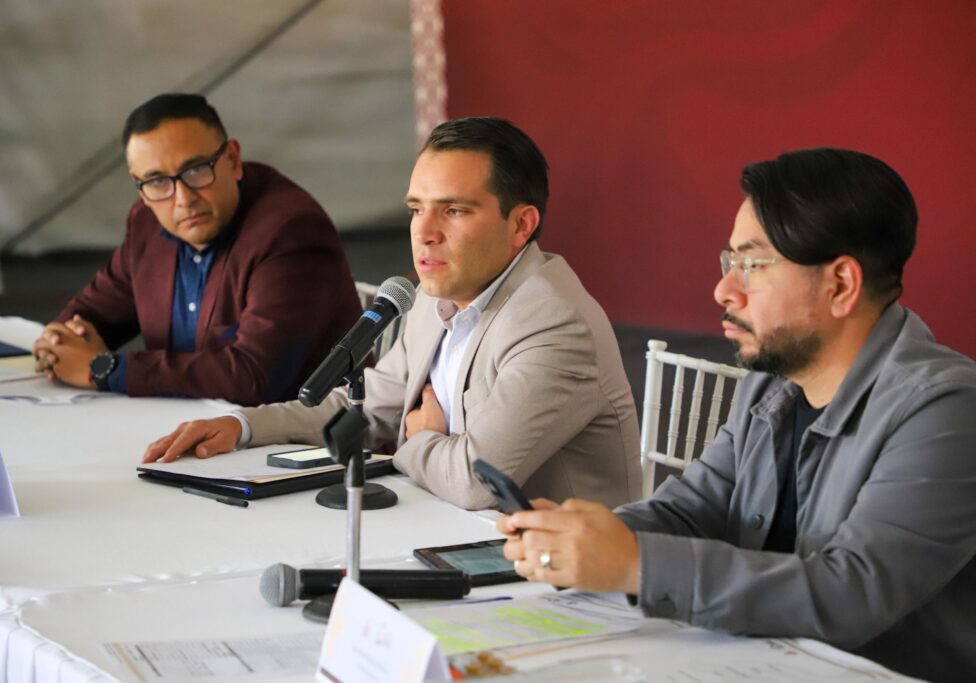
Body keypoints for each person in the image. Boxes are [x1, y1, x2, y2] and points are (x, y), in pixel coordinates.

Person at [498, 148, 976, 682]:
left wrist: (635, 563)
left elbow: (851, 593)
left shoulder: (946, 411)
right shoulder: (774, 383)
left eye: (752, 265)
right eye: (731, 262)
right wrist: (582, 538)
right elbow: (694, 509)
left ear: (840, 285)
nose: (724, 290)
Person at [144, 116, 641, 510]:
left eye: (454, 211)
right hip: (449, 530)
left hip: (557, 577)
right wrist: (243, 426)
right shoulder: (432, 296)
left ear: (521, 225)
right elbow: (367, 408)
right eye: (416, 209)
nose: (424, 232)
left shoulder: (553, 323)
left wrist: (417, 438)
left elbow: (474, 482)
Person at [31, 93, 361, 406]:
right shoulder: (146, 222)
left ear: (232, 160)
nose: (183, 198)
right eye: (157, 181)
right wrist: (59, 343)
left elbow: (254, 377)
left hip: (294, 436)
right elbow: (89, 315)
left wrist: (106, 370)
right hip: (186, 427)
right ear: (141, 189)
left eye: (197, 169)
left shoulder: (291, 231)